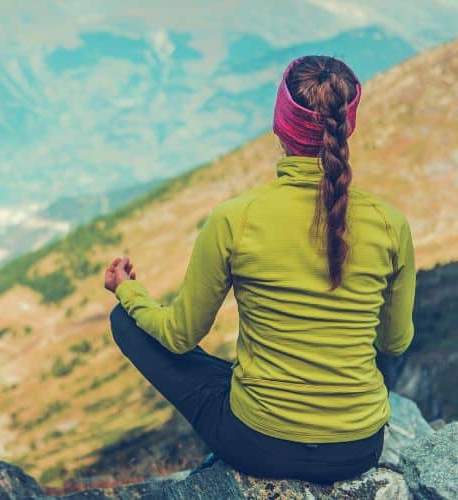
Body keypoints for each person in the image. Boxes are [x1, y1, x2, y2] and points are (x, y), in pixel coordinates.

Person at [104, 55, 416, 484]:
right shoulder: (391, 225)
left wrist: (128, 292)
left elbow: (180, 336)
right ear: (348, 127)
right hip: (357, 448)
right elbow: (395, 343)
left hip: (259, 444)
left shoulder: (237, 218)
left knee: (128, 323)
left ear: (280, 125)